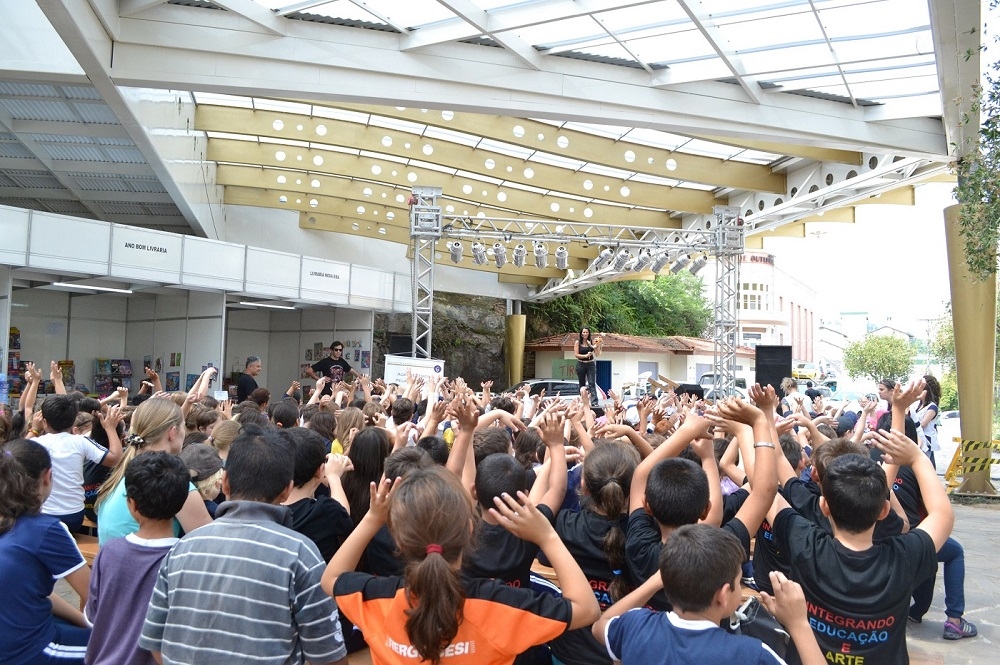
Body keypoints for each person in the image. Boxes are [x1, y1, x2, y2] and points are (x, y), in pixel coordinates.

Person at [323, 466, 601, 665]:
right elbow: (587, 609)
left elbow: (331, 577)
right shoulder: (499, 605)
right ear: (470, 529)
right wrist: (547, 536)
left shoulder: (379, 600)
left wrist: (373, 518)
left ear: (397, 537)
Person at [768, 382, 952, 664]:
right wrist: (915, 452)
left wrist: (763, 421)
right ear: (884, 510)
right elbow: (942, 514)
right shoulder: (903, 558)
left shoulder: (805, 543)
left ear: (824, 505)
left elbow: (766, 488)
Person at [139, 429, 349, 665]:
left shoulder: (183, 548)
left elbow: (155, 641)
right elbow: (328, 655)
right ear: (286, 490)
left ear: (225, 482)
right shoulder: (300, 553)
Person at [593, 524, 825, 665]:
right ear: (723, 595)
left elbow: (600, 625)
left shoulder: (636, 626)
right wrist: (799, 624)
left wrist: (654, 582)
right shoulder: (749, 654)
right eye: (737, 580)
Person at [84, 452, 191, 665]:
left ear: (132, 504)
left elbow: (92, 616)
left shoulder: (110, 551)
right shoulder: (187, 559)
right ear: (181, 503)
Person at [0, 438, 91, 665]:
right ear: (48, 476)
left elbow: (33, 592)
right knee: (131, 651)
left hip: (13, 638)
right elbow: (97, 598)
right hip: (25, 652)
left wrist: (82, 620)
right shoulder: (45, 529)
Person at [96, 398, 212, 544]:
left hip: (113, 563)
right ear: (173, 432)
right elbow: (208, 543)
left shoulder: (122, 472)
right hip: (154, 565)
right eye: (183, 427)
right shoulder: (174, 483)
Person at [34, 394, 123, 532]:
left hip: (44, 515)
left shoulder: (35, 444)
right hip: (73, 517)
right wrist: (110, 428)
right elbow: (116, 459)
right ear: (73, 421)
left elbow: (15, 451)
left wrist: (34, 430)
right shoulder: (80, 442)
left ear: (44, 422)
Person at [574, 327, 602, 407]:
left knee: (592, 383)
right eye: (584, 332)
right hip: (581, 363)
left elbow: (597, 354)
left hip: (590, 364)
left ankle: (594, 402)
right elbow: (576, 355)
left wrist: (597, 346)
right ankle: (582, 401)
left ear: (589, 333)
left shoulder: (592, 342)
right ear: (581, 333)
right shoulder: (577, 342)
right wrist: (585, 355)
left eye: (587, 332)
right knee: (582, 384)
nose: (585, 334)